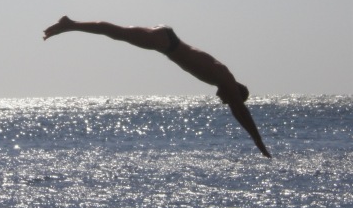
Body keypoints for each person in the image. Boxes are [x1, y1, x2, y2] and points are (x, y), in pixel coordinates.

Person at [43, 16, 271, 158]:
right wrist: (258, 141)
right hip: (166, 42)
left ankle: (71, 25)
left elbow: (237, 107)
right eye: (227, 99)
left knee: (117, 33)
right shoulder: (226, 79)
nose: (222, 100)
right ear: (235, 93)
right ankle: (70, 24)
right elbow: (240, 111)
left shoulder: (221, 78)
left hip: (166, 41)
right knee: (116, 32)